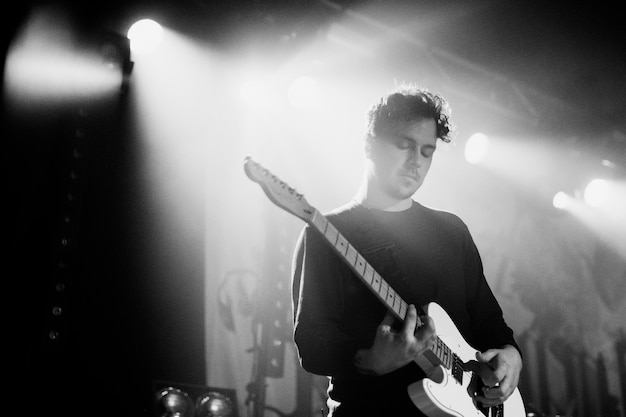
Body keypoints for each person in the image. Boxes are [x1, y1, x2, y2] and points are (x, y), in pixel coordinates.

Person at [290, 83, 523, 416]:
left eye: (427, 152)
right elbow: (311, 343)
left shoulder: (452, 231)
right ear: (370, 145)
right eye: (404, 145)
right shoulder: (326, 233)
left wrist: (511, 356)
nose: (416, 161)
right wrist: (369, 360)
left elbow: (491, 325)